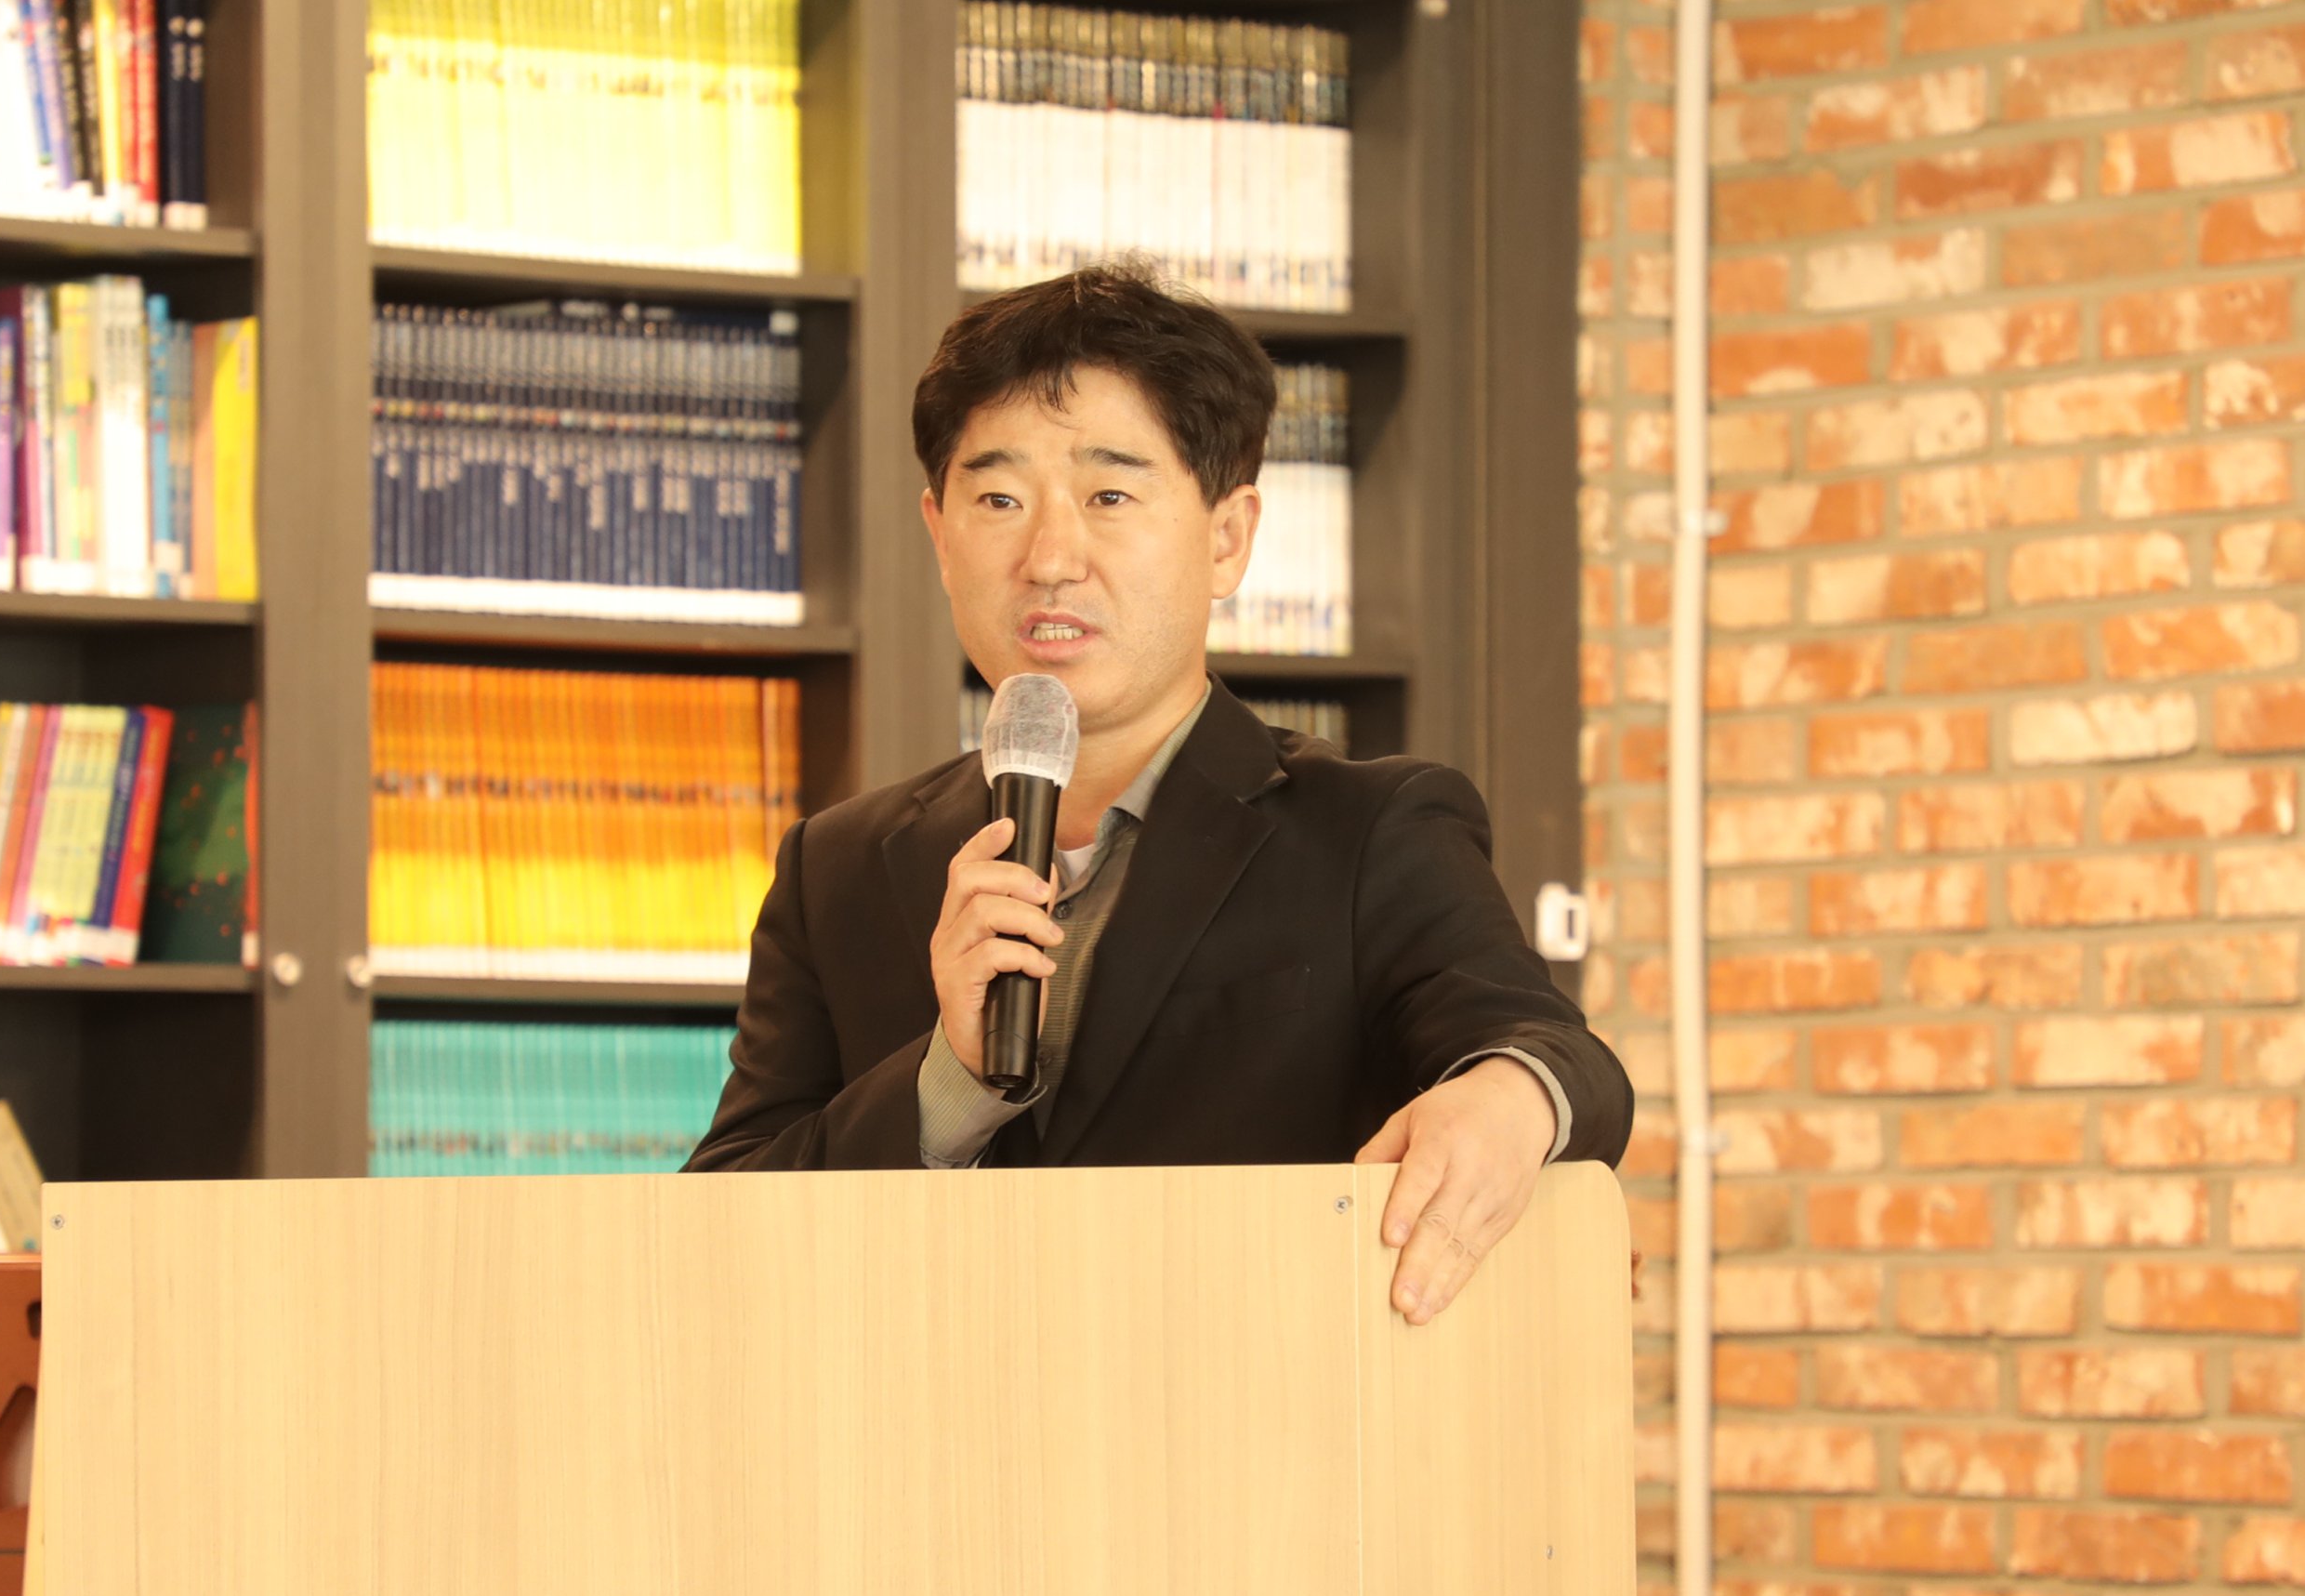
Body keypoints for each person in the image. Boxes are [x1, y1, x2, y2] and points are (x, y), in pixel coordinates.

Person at [686, 264, 1631, 1324]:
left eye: (1109, 496)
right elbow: (722, 1225)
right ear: (939, 534)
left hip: (1248, 1405)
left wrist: (1511, 1097)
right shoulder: (839, 865)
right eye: (998, 499)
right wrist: (949, 1079)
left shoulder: (1371, 830)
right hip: (928, 1417)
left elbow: (1560, 1058)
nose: (1050, 558)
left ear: (1227, 538)